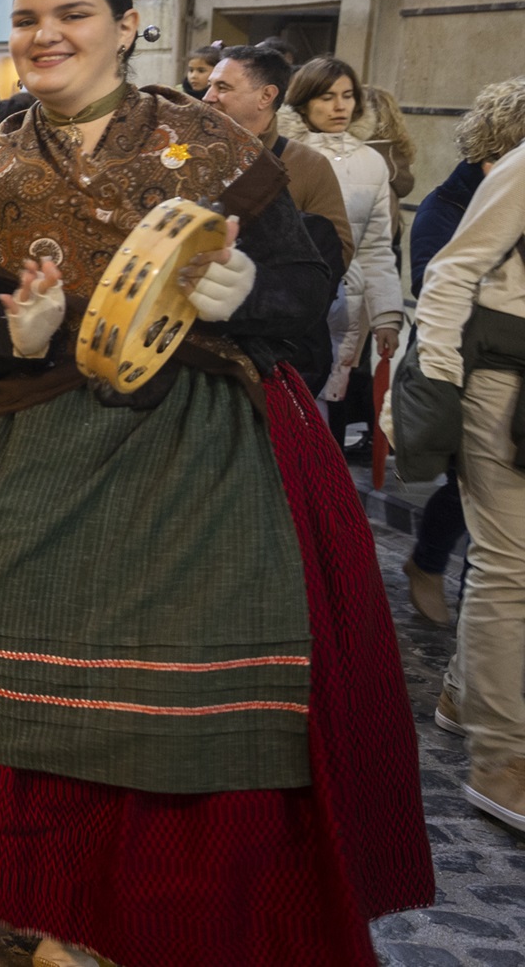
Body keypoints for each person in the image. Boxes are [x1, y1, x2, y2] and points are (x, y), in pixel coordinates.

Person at [0, 0, 430, 967]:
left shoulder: (211, 144)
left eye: (72, 13)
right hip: (35, 440)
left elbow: (302, 301)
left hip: (202, 447)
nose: (43, 34)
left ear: (128, 25)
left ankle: (149, 914)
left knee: (172, 707)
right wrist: (19, 331)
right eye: (26, 18)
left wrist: (241, 297)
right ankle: (54, 894)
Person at [417, 109, 525, 832]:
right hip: (504, 380)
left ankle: (461, 693)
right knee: (512, 564)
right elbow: (453, 267)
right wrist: (440, 382)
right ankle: (504, 757)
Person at [201, 45, 354, 391]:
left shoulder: (306, 165)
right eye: (210, 85)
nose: (207, 97)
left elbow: (336, 253)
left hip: (270, 353)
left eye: (223, 87)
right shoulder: (192, 154)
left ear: (266, 96)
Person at [284, 57, 404, 445]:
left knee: (328, 412)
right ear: (303, 102)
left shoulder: (371, 162)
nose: (340, 107)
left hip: (344, 308)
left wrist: (387, 314)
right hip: (289, 305)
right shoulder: (286, 154)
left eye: (348, 96)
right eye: (327, 97)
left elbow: (376, 246)